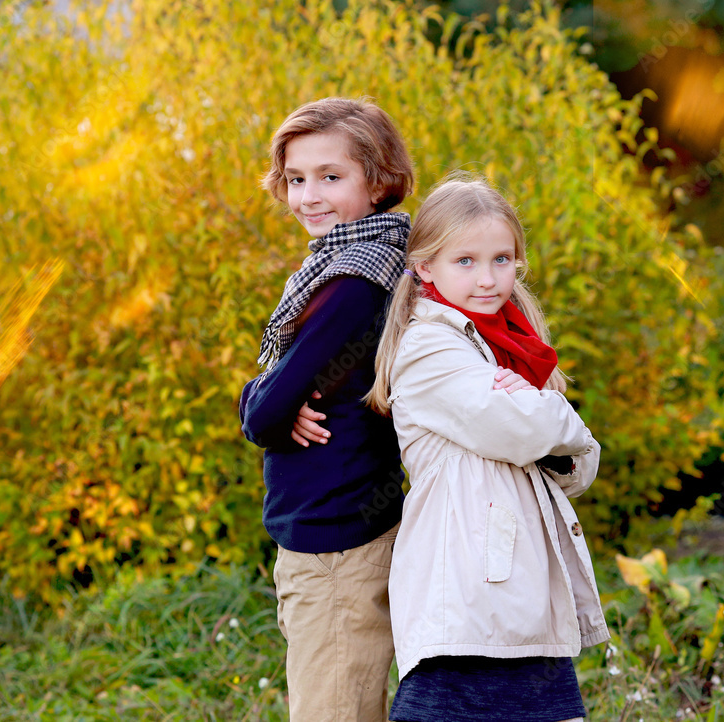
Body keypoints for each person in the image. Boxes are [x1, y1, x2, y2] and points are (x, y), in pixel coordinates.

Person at [365, 175, 610, 722]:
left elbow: (577, 466)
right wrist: (553, 414)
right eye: (465, 261)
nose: (487, 278)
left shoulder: (508, 345)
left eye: (501, 259)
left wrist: (545, 417)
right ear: (425, 267)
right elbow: (522, 428)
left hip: (523, 598)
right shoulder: (428, 345)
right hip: (469, 597)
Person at [238, 96, 414, 722]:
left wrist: (263, 402)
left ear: (379, 179)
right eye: (295, 179)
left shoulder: (351, 284)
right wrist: (267, 398)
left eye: (330, 177)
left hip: (336, 545)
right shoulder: (361, 260)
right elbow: (272, 400)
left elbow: (263, 418)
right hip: (339, 532)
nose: (308, 196)